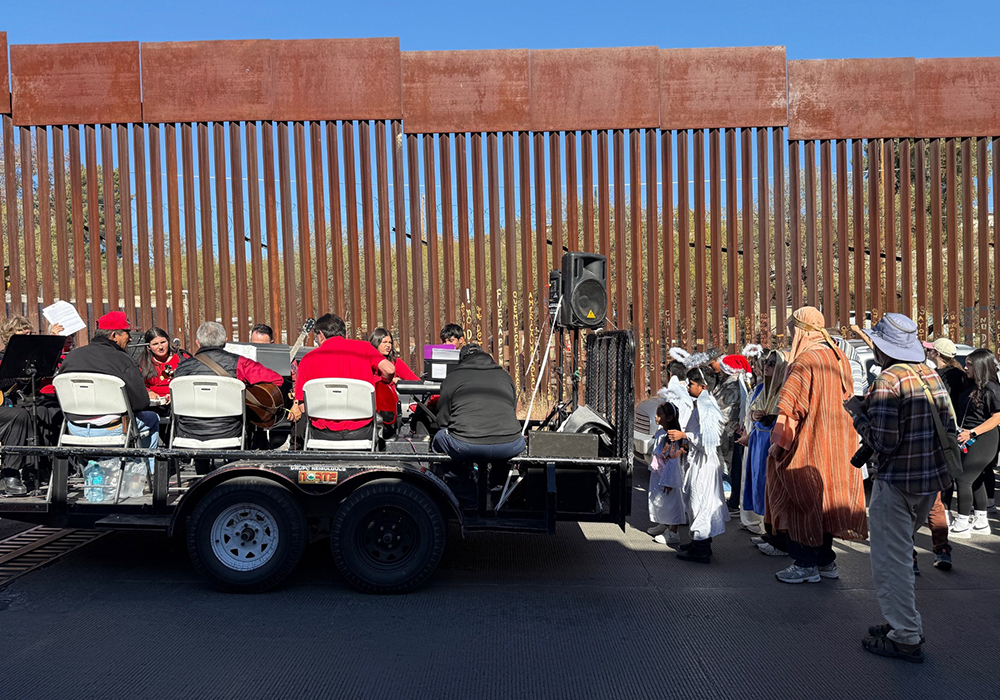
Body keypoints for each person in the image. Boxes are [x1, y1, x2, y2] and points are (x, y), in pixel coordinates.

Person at [848, 312, 954, 663]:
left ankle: (905, 634)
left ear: (882, 348)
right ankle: (901, 623)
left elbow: (884, 441)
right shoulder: (930, 374)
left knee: (891, 562)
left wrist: (858, 414)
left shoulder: (887, 381)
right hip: (930, 479)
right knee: (901, 555)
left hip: (897, 481)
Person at [767, 306, 868, 584]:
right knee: (824, 503)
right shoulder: (838, 355)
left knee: (801, 500)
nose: (790, 335)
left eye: (792, 329)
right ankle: (825, 561)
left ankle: (805, 564)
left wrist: (778, 445)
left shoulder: (805, 360)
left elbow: (791, 409)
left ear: (802, 330)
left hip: (809, 443)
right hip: (838, 444)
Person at [56, 312, 160, 469]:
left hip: (74, 428)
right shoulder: (123, 360)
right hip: (113, 428)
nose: (130, 339)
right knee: (152, 418)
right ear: (114, 335)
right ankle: (147, 472)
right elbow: (141, 403)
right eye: (127, 332)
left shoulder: (72, 356)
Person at [172, 321, 283, 449]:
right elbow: (277, 380)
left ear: (197, 342)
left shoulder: (182, 368)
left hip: (188, 432)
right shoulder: (240, 363)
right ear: (225, 341)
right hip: (229, 431)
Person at [290, 314, 396, 442]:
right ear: (343, 333)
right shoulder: (364, 348)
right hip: (362, 431)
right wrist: (384, 382)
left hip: (322, 434)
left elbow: (303, 407)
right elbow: (390, 369)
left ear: (321, 335)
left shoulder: (307, 359)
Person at [432, 344, 525, 462]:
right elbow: (512, 410)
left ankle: (458, 473)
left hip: (466, 445)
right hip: (511, 444)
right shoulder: (505, 376)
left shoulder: (452, 378)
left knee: (439, 437)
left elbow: (443, 420)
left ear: (461, 360)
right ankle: (500, 473)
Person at [674, 366, 728, 564]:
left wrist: (684, 436)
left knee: (700, 503)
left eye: (691, 384)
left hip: (703, 465)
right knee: (695, 502)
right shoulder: (702, 403)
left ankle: (701, 549)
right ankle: (698, 542)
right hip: (698, 461)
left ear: (702, 386)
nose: (688, 387)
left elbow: (707, 442)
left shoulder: (706, 406)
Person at [947, 348, 1000, 537]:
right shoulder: (973, 385)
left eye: (970, 364)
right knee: (975, 479)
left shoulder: (992, 389)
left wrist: (972, 432)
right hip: (969, 436)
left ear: (980, 366)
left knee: (963, 479)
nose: (965, 367)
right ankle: (981, 521)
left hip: (984, 438)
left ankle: (962, 524)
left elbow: (997, 417)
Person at [738, 350, 786, 537]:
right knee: (758, 482)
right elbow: (750, 411)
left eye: (773, 363)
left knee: (771, 484)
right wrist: (753, 416)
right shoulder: (760, 389)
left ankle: (775, 535)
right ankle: (766, 530)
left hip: (772, 442)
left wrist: (772, 418)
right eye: (767, 362)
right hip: (758, 442)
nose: (767, 366)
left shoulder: (786, 391)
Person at [648, 355, 693, 537]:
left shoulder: (676, 395)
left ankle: (672, 528)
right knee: (665, 493)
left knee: (673, 490)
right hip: (675, 441)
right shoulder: (685, 394)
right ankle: (665, 522)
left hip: (676, 442)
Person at [369, 327, 420, 437]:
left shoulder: (396, 363)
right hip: (370, 410)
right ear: (375, 343)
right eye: (384, 342)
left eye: (390, 342)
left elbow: (416, 381)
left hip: (390, 413)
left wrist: (401, 383)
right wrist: (388, 379)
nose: (388, 345)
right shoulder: (367, 363)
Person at [649, 402, 688, 546]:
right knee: (661, 501)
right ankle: (663, 523)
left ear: (670, 417)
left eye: (660, 415)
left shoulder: (672, 438)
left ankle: (673, 532)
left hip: (669, 477)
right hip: (660, 474)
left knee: (673, 503)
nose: (656, 417)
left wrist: (669, 481)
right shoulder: (661, 433)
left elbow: (673, 462)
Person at [719, 354, 751, 513]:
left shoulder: (732, 387)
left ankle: (735, 502)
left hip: (733, 433)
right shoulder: (740, 382)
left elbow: (725, 412)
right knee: (736, 468)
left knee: (736, 469)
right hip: (737, 431)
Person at [138, 327, 179, 404]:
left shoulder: (181, 358)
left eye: (163, 342)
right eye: (155, 344)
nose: (160, 347)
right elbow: (138, 384)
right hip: (155, 405)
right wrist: (148, 392)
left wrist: (176, 394)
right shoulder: (143, 363)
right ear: (148, 347)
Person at [925, 338, 968, 403]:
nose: (927, 352)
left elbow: (947, 399)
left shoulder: (953, 374)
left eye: (929, 350)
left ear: (938, 354)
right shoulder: (936, 371)